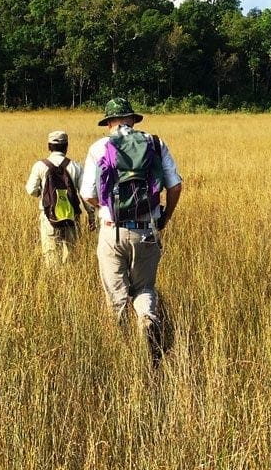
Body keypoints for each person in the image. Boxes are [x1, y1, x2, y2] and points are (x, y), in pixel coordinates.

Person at [80, 98, 182, 362]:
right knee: (144, 287)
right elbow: (175, 186)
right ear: (133, 120)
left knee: (116, 294)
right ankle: (147, 320)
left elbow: (87, 193)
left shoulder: (100, 147)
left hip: (112, 231)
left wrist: (107, 209)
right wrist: (164, 218)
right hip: (146, 229)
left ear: (109, 123)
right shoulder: (155, 143)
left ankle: (122, 351)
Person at [25, 130, 92, 266]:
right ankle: (69, 282)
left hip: (49, 217)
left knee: (51, 257)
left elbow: (31, 190)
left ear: (49, 147)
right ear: (66, 146)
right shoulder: (75, 166)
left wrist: (42, 192)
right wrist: (91, 216)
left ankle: (55, 282)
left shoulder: (40, 166)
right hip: (72, 217)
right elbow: (86, 194)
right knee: (72, 257)